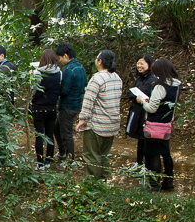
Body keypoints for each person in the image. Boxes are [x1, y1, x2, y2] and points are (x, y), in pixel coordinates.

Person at [75, 50, 123, 179]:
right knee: (103, 155)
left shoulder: (97, 78)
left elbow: (88, 100)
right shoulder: (116, 78)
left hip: (97, 125)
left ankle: (93, 187)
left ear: (100, 61)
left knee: (92, 156)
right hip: (112, 124)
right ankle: (103, 182)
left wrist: (82, 119)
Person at [137, 58, 180, 191]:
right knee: (166, 153)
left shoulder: (160, 86)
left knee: (154, 154)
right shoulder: (176, 84)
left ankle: (154, 184)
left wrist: (143, 101)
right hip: (166, 124)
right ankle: (168, 182)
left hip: (154, 124)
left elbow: (151, 108)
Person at [55, 43, 87, 162]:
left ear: (66, 56)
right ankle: (62, 152)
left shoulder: (68, 70)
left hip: (67, 106)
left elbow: (64, 91)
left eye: (60, 58)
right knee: (56, 126)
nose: (60, 60)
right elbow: (85, 85)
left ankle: (70, 159)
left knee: (66, 133)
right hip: (76, 104)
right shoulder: (80, 67)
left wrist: (56, 86)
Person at [31, 49, 62, 169]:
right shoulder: (59, 73)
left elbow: (33, 90)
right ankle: (48, 161)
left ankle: (39, 163)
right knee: (49, 135)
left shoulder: (37, 73)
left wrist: (32, 101)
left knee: (39, 135)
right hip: (52, 107)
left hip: (39, 107)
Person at [126, 54, 158, 167]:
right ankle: (139, 163)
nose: (139, 66)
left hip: (146, 113)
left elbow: (145, 94)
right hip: (137, 112)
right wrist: (136, 97)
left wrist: (138, 97)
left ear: (149, 64)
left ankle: (147, 166)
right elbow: (130, 93)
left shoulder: (153, 79)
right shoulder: (139, 78)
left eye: (142, 63)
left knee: (146, 140)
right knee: (140, 139)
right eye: (138, 63)